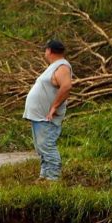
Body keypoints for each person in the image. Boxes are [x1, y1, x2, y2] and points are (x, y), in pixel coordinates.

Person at [23, 39, 72, 181]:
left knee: (47, 146)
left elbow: (66, 86)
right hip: (39, 115)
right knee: (41, 147)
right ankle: (44, 176)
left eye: (46, 50)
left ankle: (53, 178)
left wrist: (54, 107)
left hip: (47, 116)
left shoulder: (62, 66)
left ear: (49, 51)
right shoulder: (54, 66)